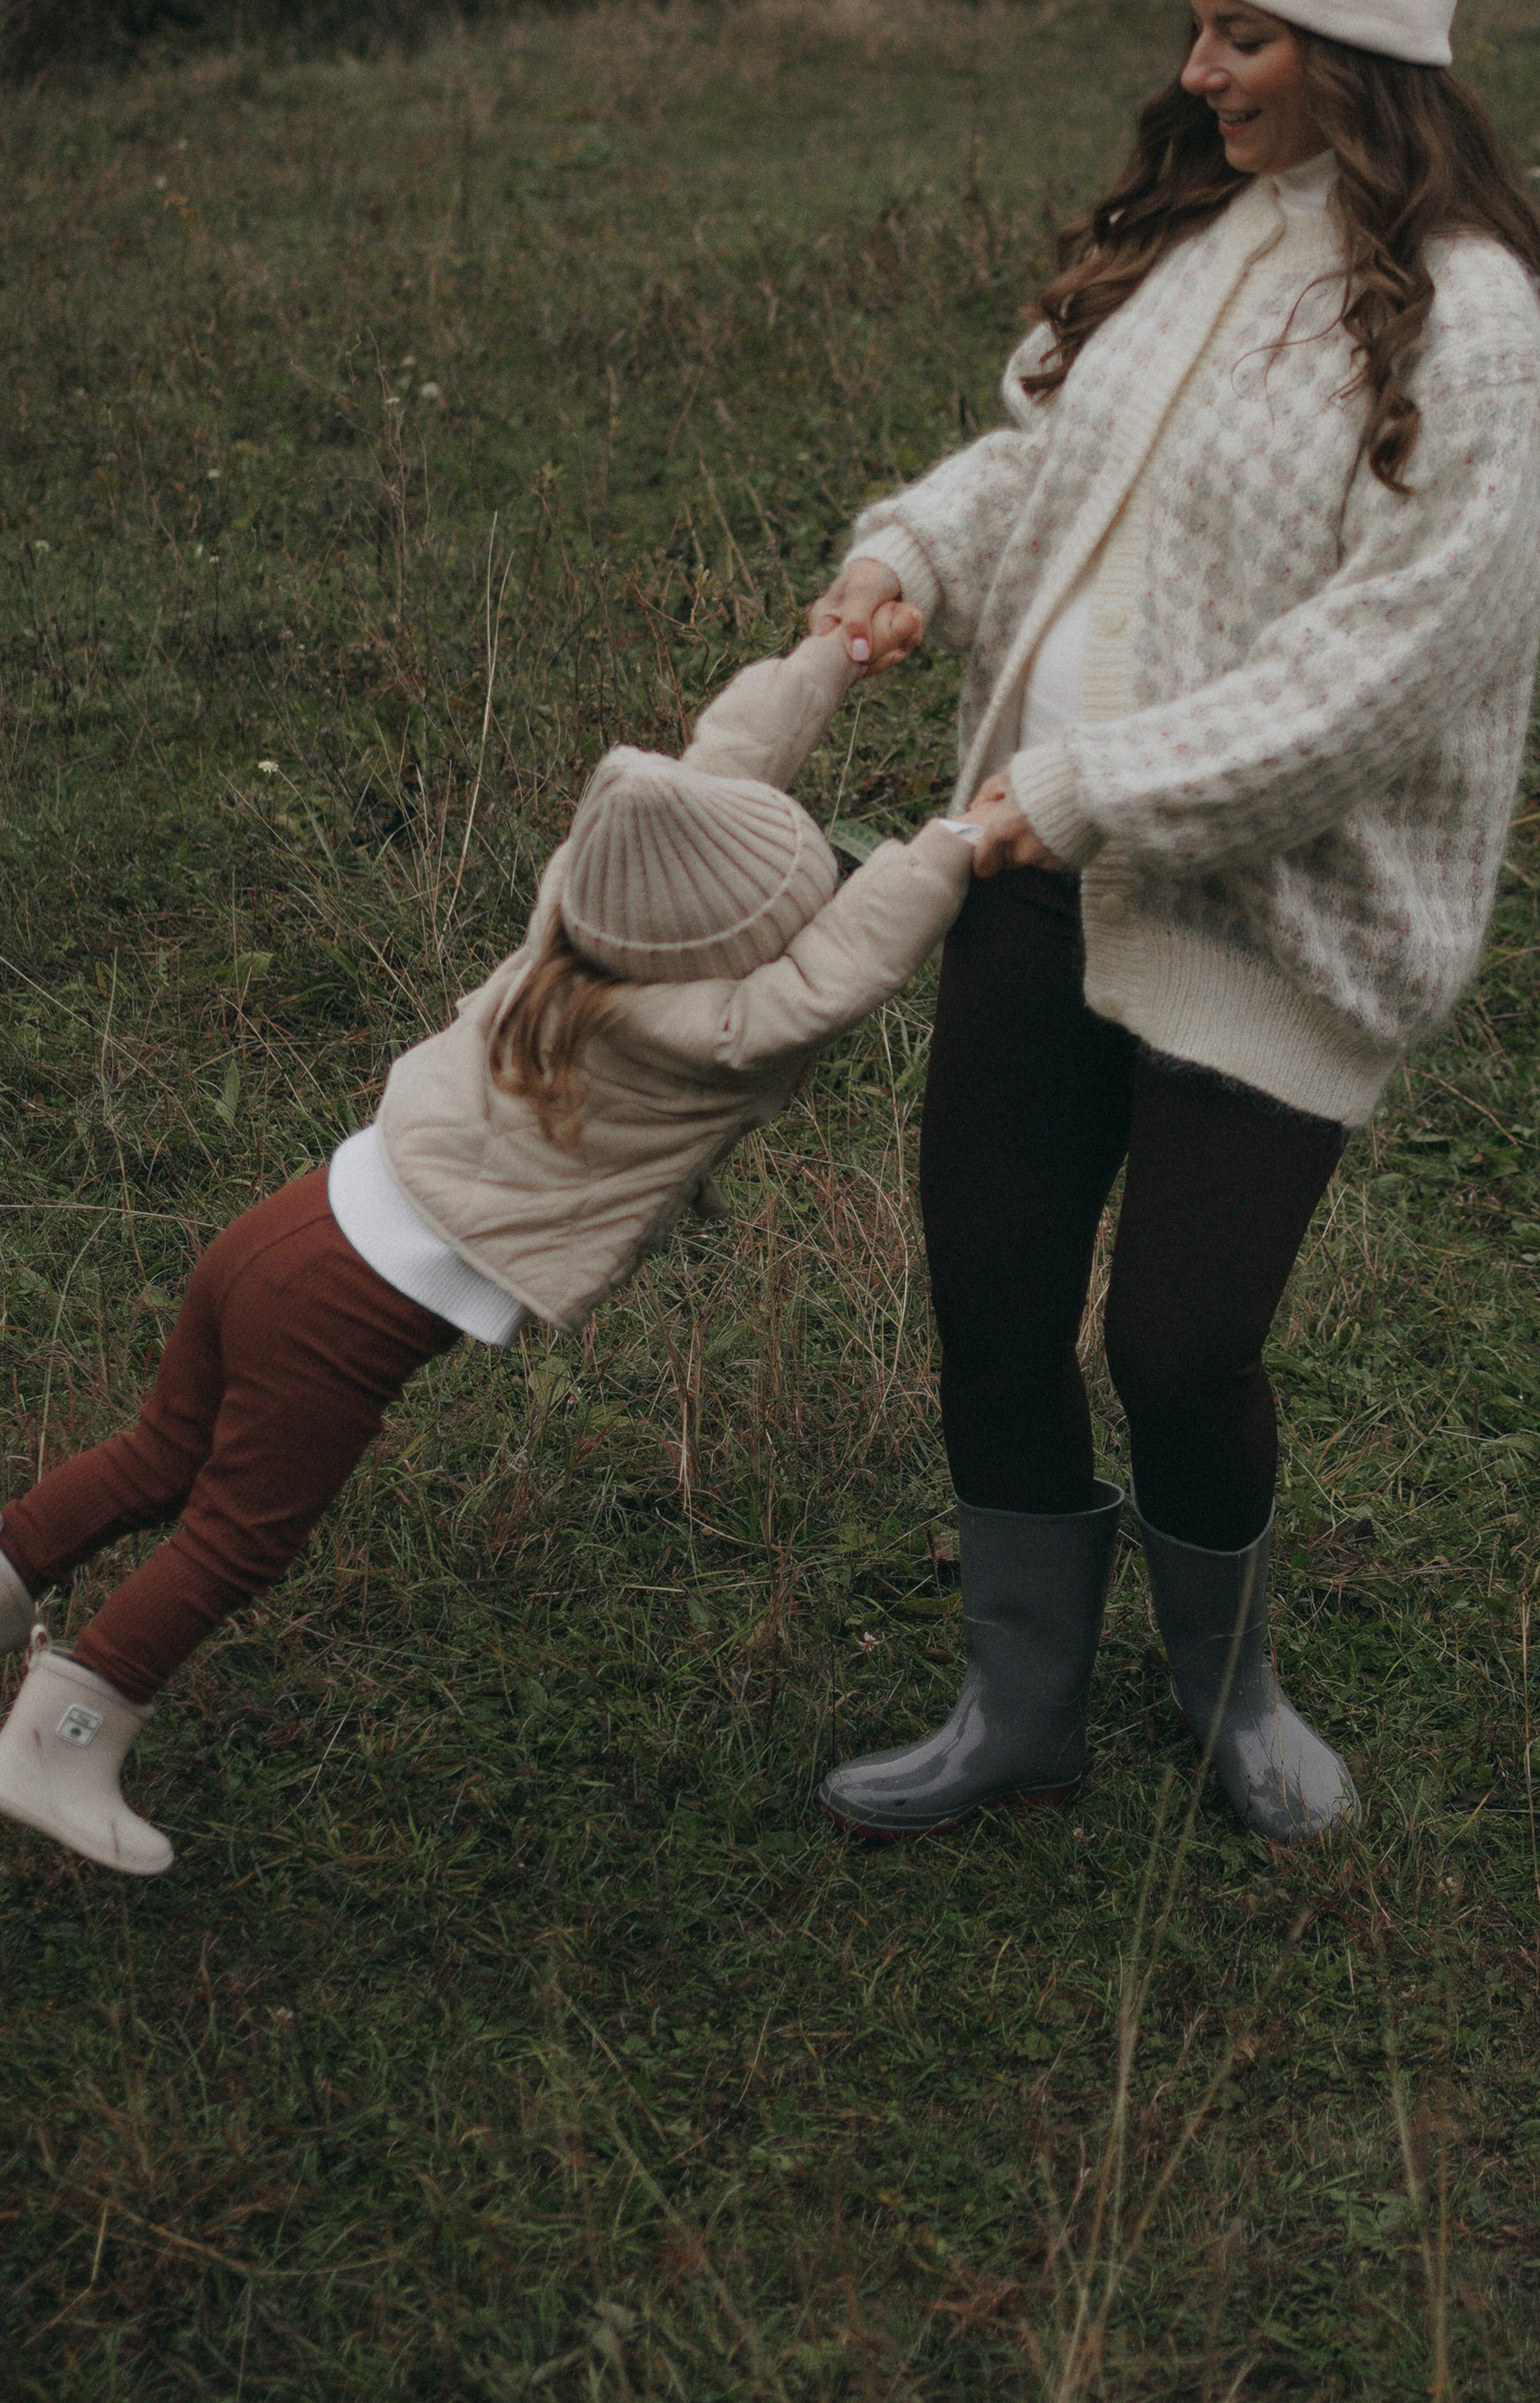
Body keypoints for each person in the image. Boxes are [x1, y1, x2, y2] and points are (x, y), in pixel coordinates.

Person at [808, 0, 1540, 1849]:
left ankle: (1232, 1692)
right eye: (1195, 26)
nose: (1196, 70)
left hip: (1268, 913)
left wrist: (1081, 789)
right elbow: (1039, 464)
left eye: (1242, 34)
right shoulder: (1185, 246)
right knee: (988, 1294)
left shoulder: (1467, 327)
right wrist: (913, 551)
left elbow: (1369, 681)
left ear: (1355, 51)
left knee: (1174, 1345)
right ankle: (1016, 1709)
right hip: (1032, 871)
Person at [0, 627, 980, 1878]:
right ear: (730, 954)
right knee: (238, 1537)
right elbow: (830, 978)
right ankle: (60, 1739)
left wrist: (825, 658)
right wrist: (957, 841)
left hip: (289, 1227)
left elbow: (702, 777)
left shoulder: (575, 910)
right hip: (344, 1316)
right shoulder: (714, 1028)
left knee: (159, 1455)